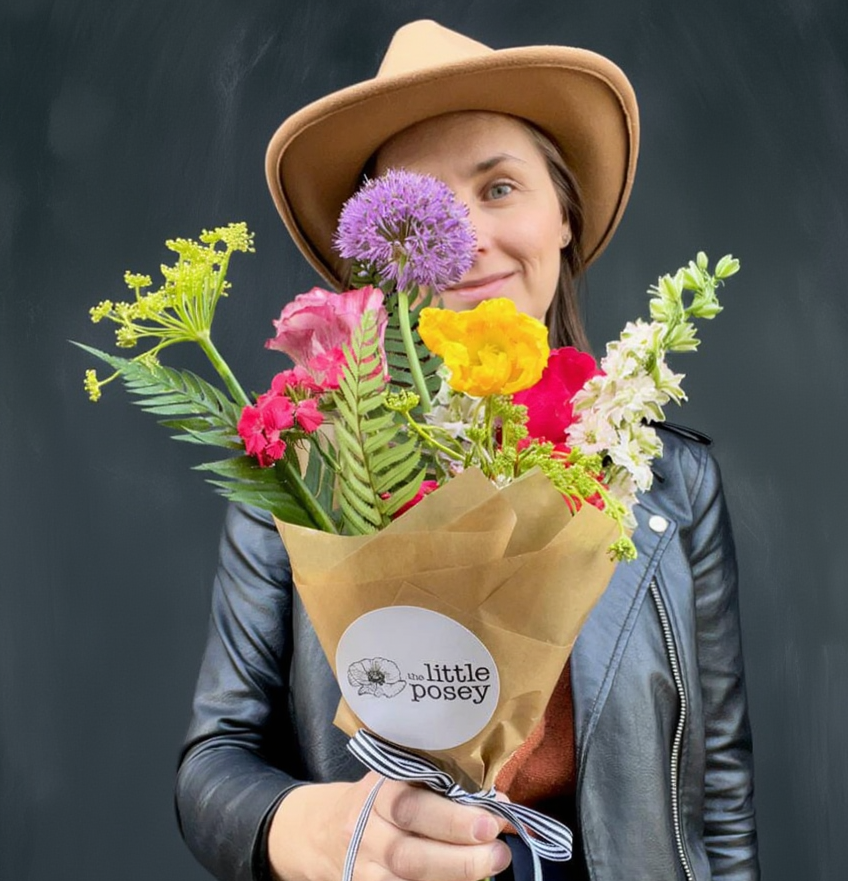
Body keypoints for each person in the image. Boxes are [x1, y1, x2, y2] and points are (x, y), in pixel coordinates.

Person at [175, 20, 759, 881]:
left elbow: (718, 789)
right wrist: (314, 827)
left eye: (498, 187)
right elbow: (212, 761)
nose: (464, 238)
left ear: (563, 215)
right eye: (418, 212)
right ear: (376, 262)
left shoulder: (674, 481)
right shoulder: (305, 478)